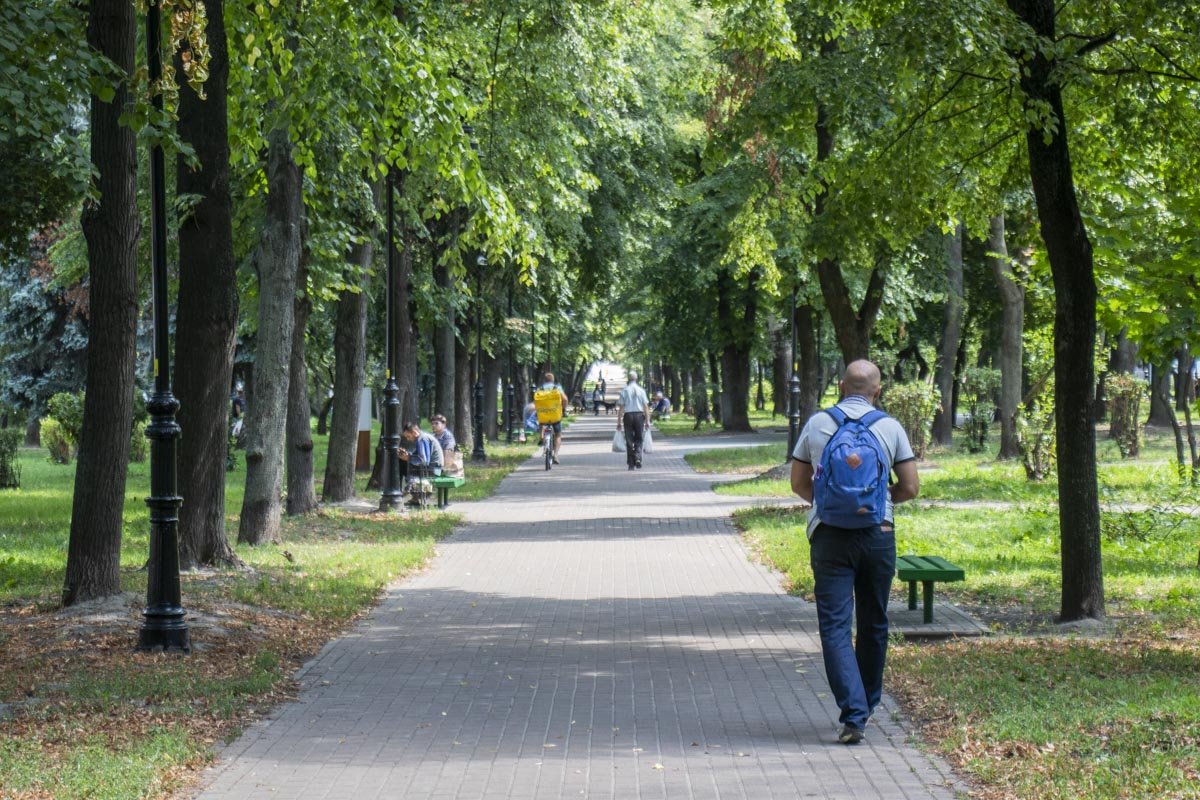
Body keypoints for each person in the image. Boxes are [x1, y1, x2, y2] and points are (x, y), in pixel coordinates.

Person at [789, 360, 919, 745]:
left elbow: (798, 483)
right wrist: (875, 501)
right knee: (874, 621)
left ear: (842, 386)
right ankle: (868, 704)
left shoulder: (817, 423)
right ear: (877, 391)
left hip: (830, 536)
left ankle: (854, 712)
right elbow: (911, 487)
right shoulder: (890, 427)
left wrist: (830, 504)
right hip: (878, 534)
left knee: (835, 626)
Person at [399, 421, 444, 506]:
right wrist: (408, 455)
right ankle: (413, 493)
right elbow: (418, 455)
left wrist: (408, 458)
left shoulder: (422, 439)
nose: (408, 439)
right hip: (435, 468)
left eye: (408, 436)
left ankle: (409, 488)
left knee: (407, 466)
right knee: (407, 464)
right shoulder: (422, 438)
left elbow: (424, 461)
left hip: (435, 470)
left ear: (414, 432)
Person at [616, 370, 650, 470]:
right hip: (639, 416)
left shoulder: (624, 391)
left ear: (628, 379)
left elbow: (621, 408)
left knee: (629, 439)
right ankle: (638, 457)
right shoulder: (641, 391)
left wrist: (618, 422)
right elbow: (646, 407)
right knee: (639, 438)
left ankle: (631, 463)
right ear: (636, 379)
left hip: (628, 416)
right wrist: (647, 421)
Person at [534, 372, 569, 463]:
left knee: (541, 421)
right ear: (553, 380)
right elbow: (565, 399)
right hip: (555, 415)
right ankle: (555, 455)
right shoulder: (557, 388)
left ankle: (541, 437)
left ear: (544, 380)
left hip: (544, 414)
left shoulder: (540, 388)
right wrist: (563, 409)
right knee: (557, 435)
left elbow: (536, 402)